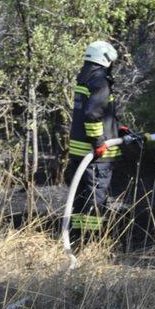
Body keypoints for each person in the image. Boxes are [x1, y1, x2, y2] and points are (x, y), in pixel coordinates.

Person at [67, 40, 127, 235]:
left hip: (79, 150)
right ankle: (90, 240)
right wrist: (99, 142)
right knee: (95, 197)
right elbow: (93, 114)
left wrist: (118, 128)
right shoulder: (100, 80)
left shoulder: (86, 78)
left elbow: (98, 112)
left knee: (80, 196)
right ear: (106, 59)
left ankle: (77, 237)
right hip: (95, 155)